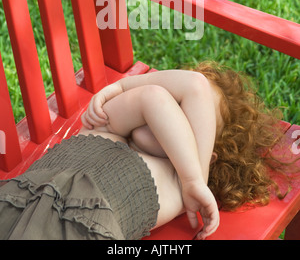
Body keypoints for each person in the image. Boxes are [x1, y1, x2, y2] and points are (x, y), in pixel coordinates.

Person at [0, 61, 291, 240]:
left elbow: (195, 87)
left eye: (186, 111)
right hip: (13, 206)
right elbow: (155, 96)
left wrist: (194, 179)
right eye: (174, 99)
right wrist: (121, 87)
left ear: (206, 156)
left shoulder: (181, 185)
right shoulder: (107, 126)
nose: (171, 108)